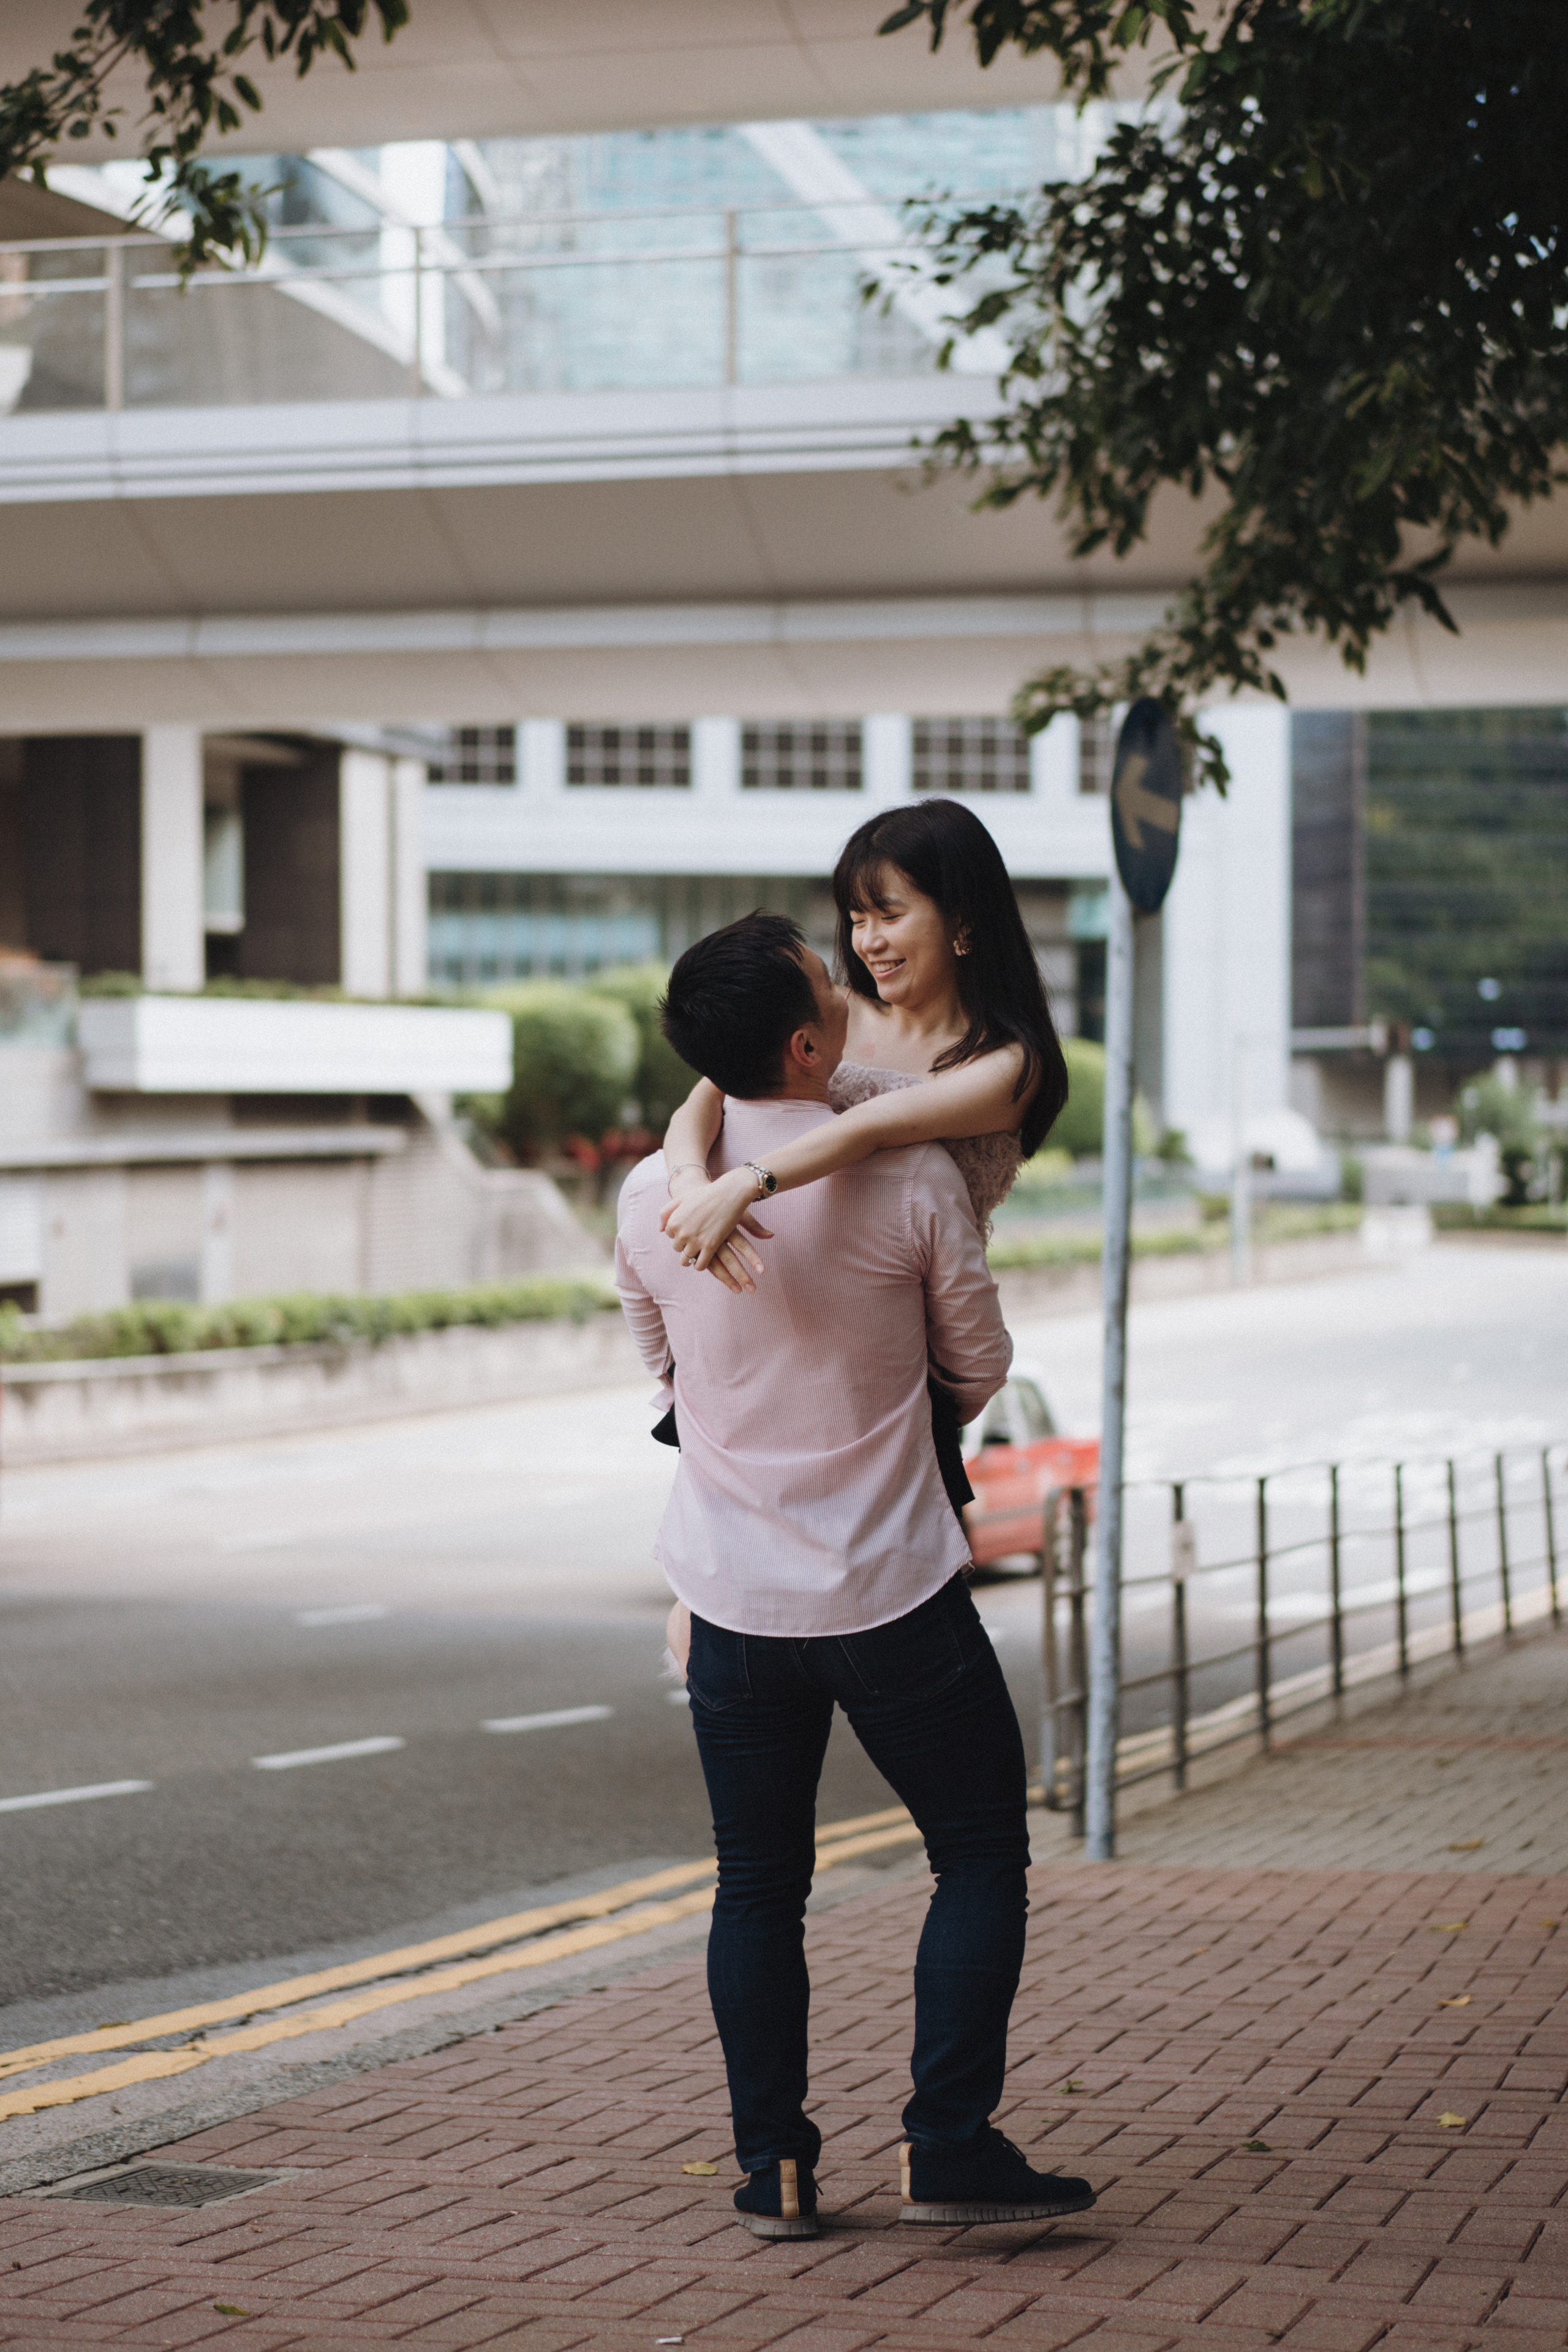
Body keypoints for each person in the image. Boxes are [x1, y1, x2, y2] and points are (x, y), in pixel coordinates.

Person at [614, 909, 1095, 2240]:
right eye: (830, 981)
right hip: (893, 1594)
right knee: (979, 1852)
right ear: (809, 1039)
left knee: (757, 1885)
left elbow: (657, 1356)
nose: (848, 983)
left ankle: (771, 2168)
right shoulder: (911, 1179)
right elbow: (982, 1370)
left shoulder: (654, 1195)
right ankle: (946, 2145)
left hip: (728, 1601)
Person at [658, 799, 1069, 1518]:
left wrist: (747, 1184)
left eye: (889, 913)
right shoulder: (831, 1008)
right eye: (855, 918)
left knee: (896, 1602)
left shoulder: (1010, 1063)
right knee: (717, 1595)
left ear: (964, 921)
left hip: (889, 1372)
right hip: (768, 1335)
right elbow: (703, 1101)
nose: (868, 940)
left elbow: (877, 1127)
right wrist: (694, 1185)